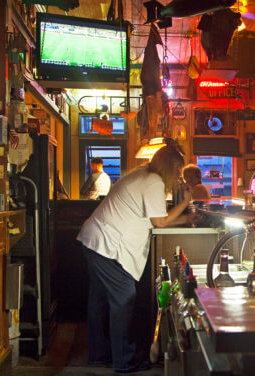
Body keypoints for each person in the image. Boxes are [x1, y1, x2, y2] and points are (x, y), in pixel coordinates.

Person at [77, 144, 193, 373]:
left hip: (95, 241)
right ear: (169, 167)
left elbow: (155, 218)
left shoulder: (144, 175)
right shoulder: (154, 182)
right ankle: (124, 361)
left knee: (99, 302)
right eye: (178, 170)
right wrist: (185, 202)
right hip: (107, 245)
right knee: (124, 298)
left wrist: (185, 219)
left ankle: (99, 355)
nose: (179, 175)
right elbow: (158, 222)